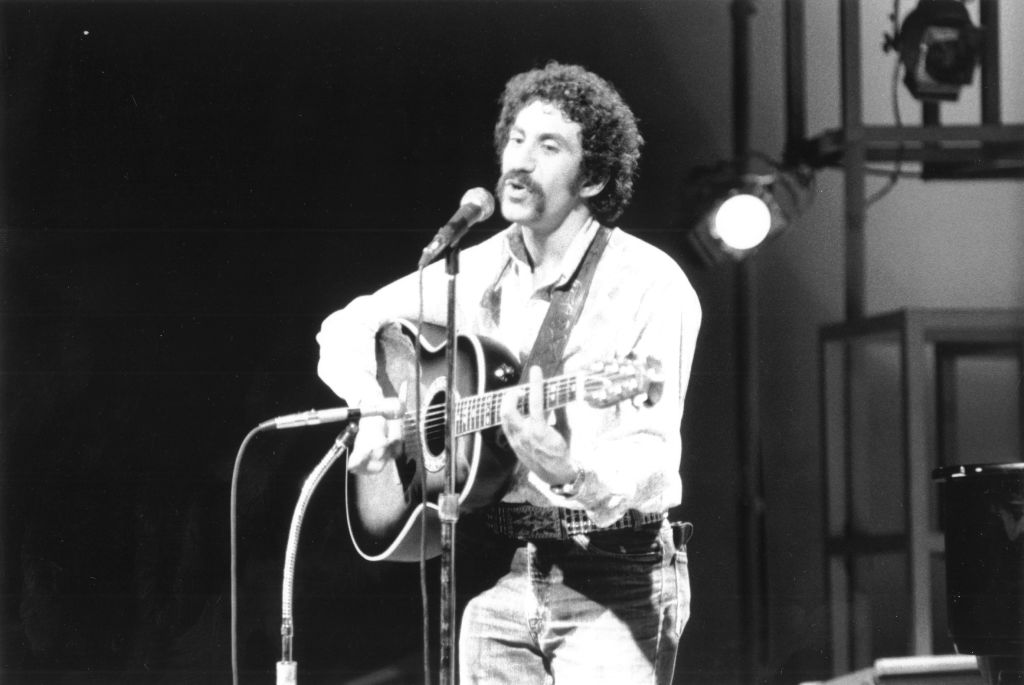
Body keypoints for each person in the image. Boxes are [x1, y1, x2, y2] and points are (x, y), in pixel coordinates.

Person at [316, 61, 701, 684]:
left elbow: (652, 456)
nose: (519, 161)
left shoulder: (650, 283)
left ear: (595, 178)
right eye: (516, 139)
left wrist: (570, 472)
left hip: (613, 570)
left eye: (549, 147)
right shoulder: (476, 268)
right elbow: (345, 326)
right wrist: (375, 413)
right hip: (495, 565)